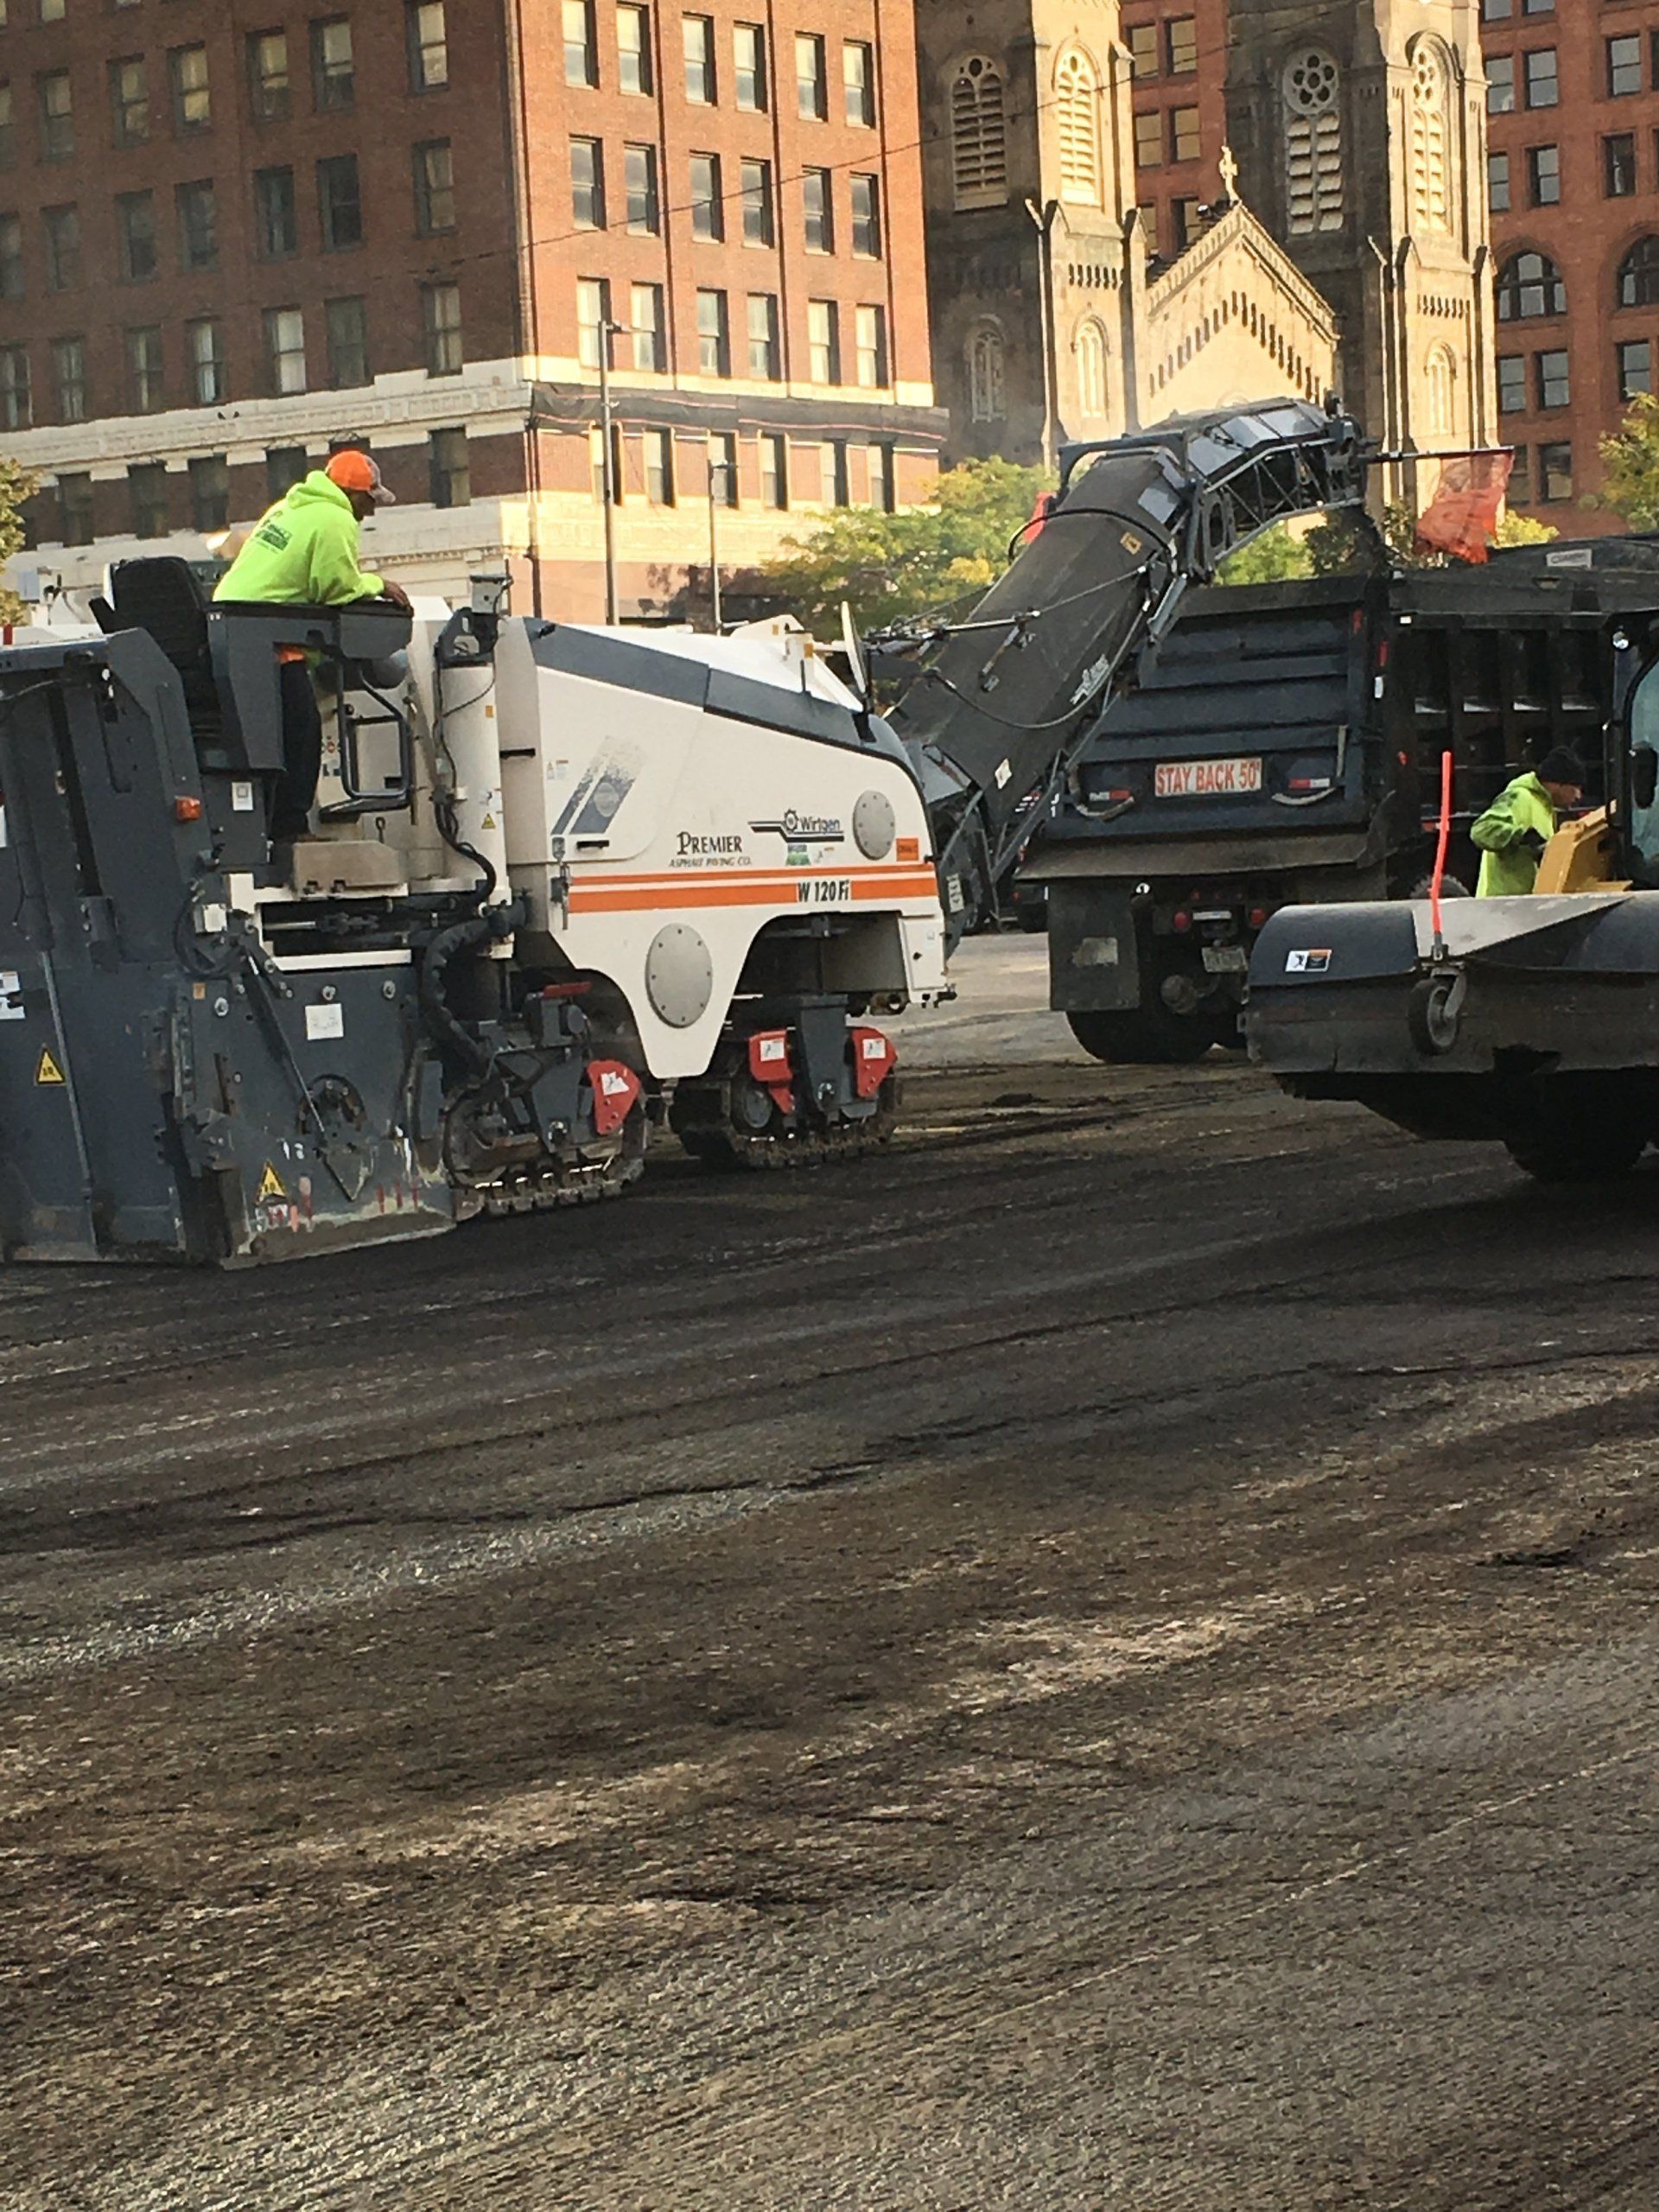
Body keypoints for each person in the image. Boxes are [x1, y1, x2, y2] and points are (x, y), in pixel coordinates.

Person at [214, 450, 410, 840]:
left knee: (259, 738)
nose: (368, 513)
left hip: (229, 630)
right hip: (268, 639)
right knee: (301, 736)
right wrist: (379, 585)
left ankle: (263, 825)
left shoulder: (286, 508)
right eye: (369, 502)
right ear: (354, 494)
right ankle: (289, 828)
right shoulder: (335, 518)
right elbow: (336, 589)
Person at [1470, 747, 1586, 897]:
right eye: (1576, 787)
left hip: (1523, 904)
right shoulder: (1519, 797)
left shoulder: (1545, 808)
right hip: (1501, 905)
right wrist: (1521, 837)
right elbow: (1481, 830)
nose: (1579, 796)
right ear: (1559, 784)